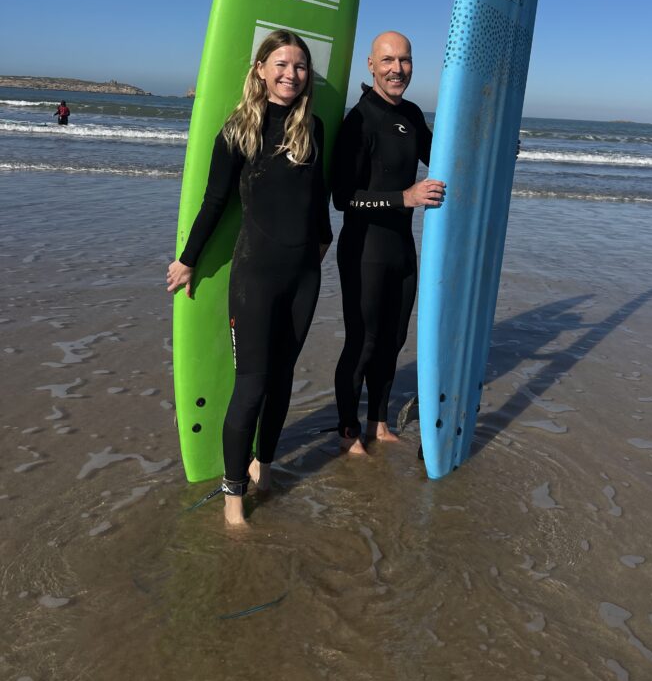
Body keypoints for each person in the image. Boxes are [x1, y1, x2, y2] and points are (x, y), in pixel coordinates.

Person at [166, 30, 332, 526]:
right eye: (281, 64)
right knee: (252, 386)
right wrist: (189, 258)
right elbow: (215, 202)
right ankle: (233, 498)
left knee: (283, 381)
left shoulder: (314, 128)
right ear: (260, 69)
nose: (291, 75)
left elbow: (316, 192)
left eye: (300, 66)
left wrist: (323, 240)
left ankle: (267, 464)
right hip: (256, 276)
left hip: (304, 275)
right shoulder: (239, 130)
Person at [331, 31, 446, 455]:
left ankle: (378, 423)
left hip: (400, 247)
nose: (397, 69)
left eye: (405, 60)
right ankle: (348, 430)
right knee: (363, 342)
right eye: (388, 61)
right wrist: (406, 198)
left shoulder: (412, 115)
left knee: (393, 340)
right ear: (371, 65)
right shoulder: (359, 120)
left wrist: (496, 145)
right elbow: (343, 199)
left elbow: (443, 157)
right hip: (364, 250)